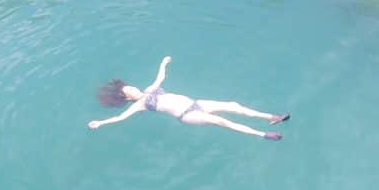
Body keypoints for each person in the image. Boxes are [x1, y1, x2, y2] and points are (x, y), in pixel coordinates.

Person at [88, 56, 290, 140]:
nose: (131, 88)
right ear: (127, 98)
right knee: (222, 121)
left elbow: (161, 77)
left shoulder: (150, 88)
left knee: (232, 105)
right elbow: (120, 118)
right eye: (127, 91)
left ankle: (271, 117)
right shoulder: (139, 105)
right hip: (186, 115)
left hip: (195, 103)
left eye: (129, 86)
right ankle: (263, 135)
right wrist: (101, 123)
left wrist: (164, 63)